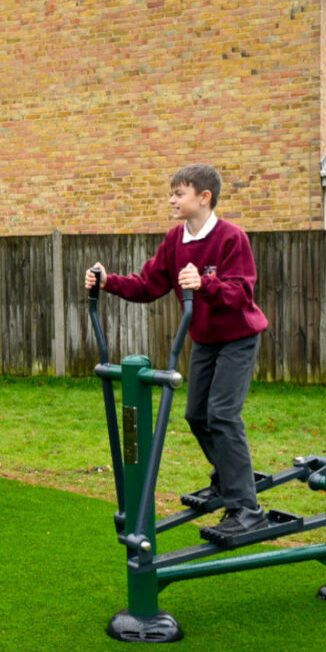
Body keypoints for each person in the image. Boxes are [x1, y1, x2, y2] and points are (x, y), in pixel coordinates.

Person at [84, 163, 269, 539]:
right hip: (204, 339)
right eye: (172, 193)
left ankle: (247, 509)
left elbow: (240, 293)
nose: (171, 199)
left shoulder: (231, 238)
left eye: (179, 193)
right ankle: (228, 479)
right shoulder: (174, 241)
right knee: (197, 415)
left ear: (204, 197)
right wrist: (107, 282)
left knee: (223, 415)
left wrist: (205, 284)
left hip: (238, 337)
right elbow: (147, 285)